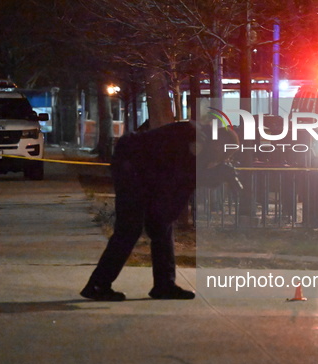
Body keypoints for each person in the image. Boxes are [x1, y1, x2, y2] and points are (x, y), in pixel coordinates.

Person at [80, 121, 240, 301]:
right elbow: (182, 181)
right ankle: (98, 285)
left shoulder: (198, 140)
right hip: (133, 170)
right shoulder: (193, 141)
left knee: (160, 228)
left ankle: (164, 285)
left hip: (139, 170)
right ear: (218, 144)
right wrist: (215, 175)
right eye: (224, 153)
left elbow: (181, 179)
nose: (221, 159)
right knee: (130, 229)